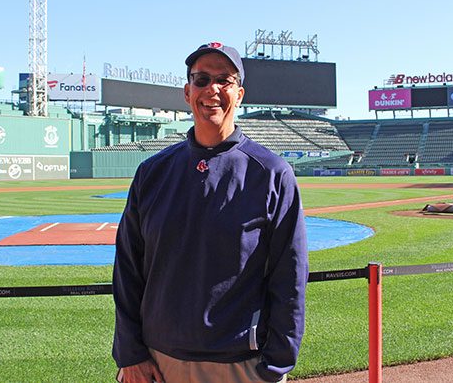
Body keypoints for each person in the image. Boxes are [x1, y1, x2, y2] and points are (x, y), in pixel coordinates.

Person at [112, 42, 309, 382]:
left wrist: (276, 364)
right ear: (188, 92)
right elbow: (128, 269)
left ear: (240, 93)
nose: (212, 90)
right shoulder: (152, 172)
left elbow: (289, 277)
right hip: (158, 361)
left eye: (224, 80)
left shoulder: (272, 173)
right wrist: (130, 354)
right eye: (201, 80)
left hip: (240, 364)